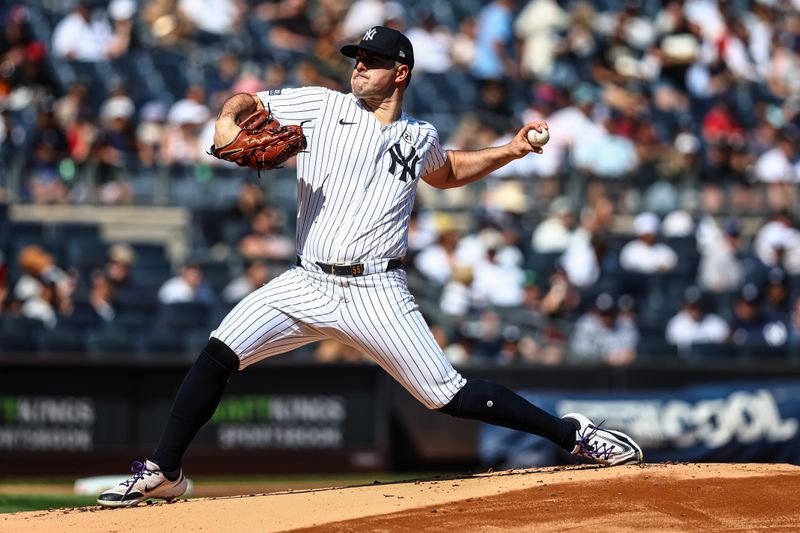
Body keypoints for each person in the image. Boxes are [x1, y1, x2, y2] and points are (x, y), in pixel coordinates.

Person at [98, 26, 643, 507]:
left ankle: (573, 434)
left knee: (446, 395)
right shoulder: (319, 104)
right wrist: (225, 121)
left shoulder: (419, 134)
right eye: (357, 57)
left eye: (372, 59)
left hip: (376, 289)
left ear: (400, 72)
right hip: (306, 280)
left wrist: (511, 150)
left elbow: (447, 170)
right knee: (219, 352)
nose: (359, 65)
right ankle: (164, 472)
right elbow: (244, 101)